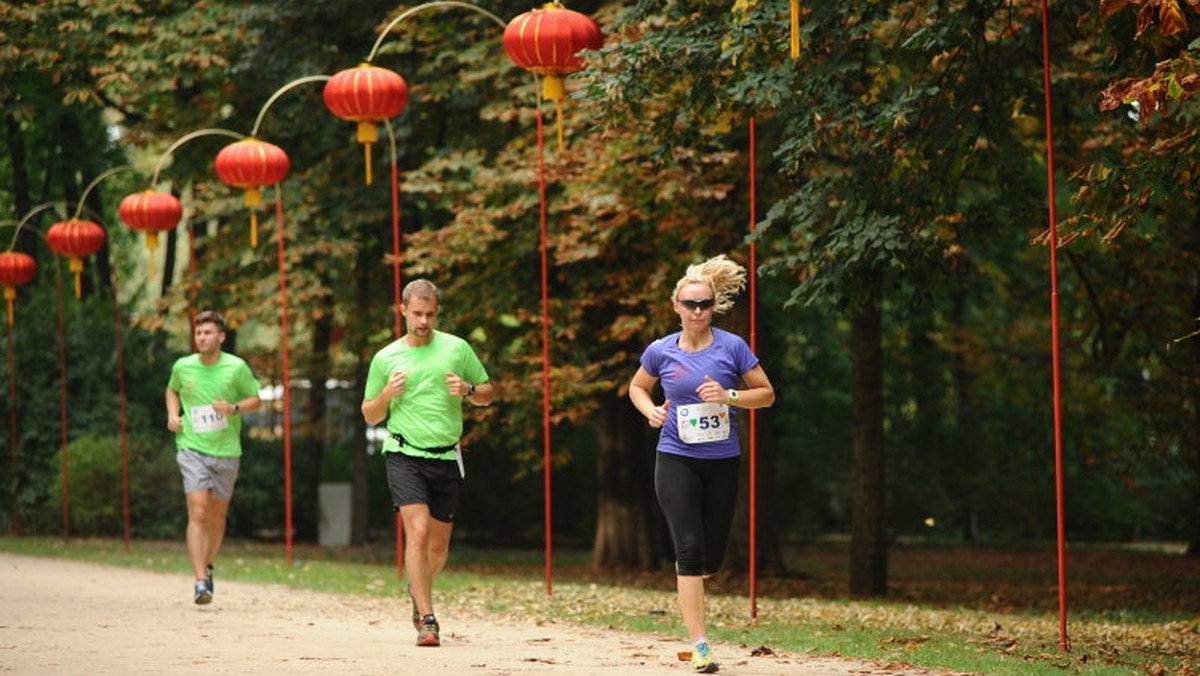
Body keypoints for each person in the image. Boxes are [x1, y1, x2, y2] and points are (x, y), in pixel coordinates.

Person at [628, 255, 775, 674]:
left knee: (711, 557)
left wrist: (727, 396)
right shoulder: (660, 350)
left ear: (714, 307)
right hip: (675, 457)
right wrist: (650, 411)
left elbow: (766, 395)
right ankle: (701, 644)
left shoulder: (733, 347)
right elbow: (637, 387)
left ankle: (700, 579)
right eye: (690, 304)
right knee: (688, 550)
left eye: (705, 305)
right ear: (676, 306)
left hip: (722, 461)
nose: (697, 312)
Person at [361, 279, 494, 647]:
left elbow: (487, 393)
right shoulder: (386, 358)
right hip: (404, 454)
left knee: (438, 549)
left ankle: (417, 589)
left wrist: (467, 390)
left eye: (430, 314)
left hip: (446, 456)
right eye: (417, 314)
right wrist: (387, 394)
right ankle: (428, 619)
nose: (423, 321)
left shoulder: (457, 348)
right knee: (416, 532)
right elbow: (370, 414)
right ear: (402, 310)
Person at [165, 310, 262, 606]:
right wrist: (172, 415)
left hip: (227, 452)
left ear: (221, 337)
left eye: (207, 333)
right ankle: (199, 582)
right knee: (198, 512)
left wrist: (233, 408)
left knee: (217, 519)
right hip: (192, 448)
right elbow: (172, 389)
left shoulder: (236, 367)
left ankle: (207, 567)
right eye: (198, 333)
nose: (201, 338)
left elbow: (256, 399)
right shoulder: (183, 366)